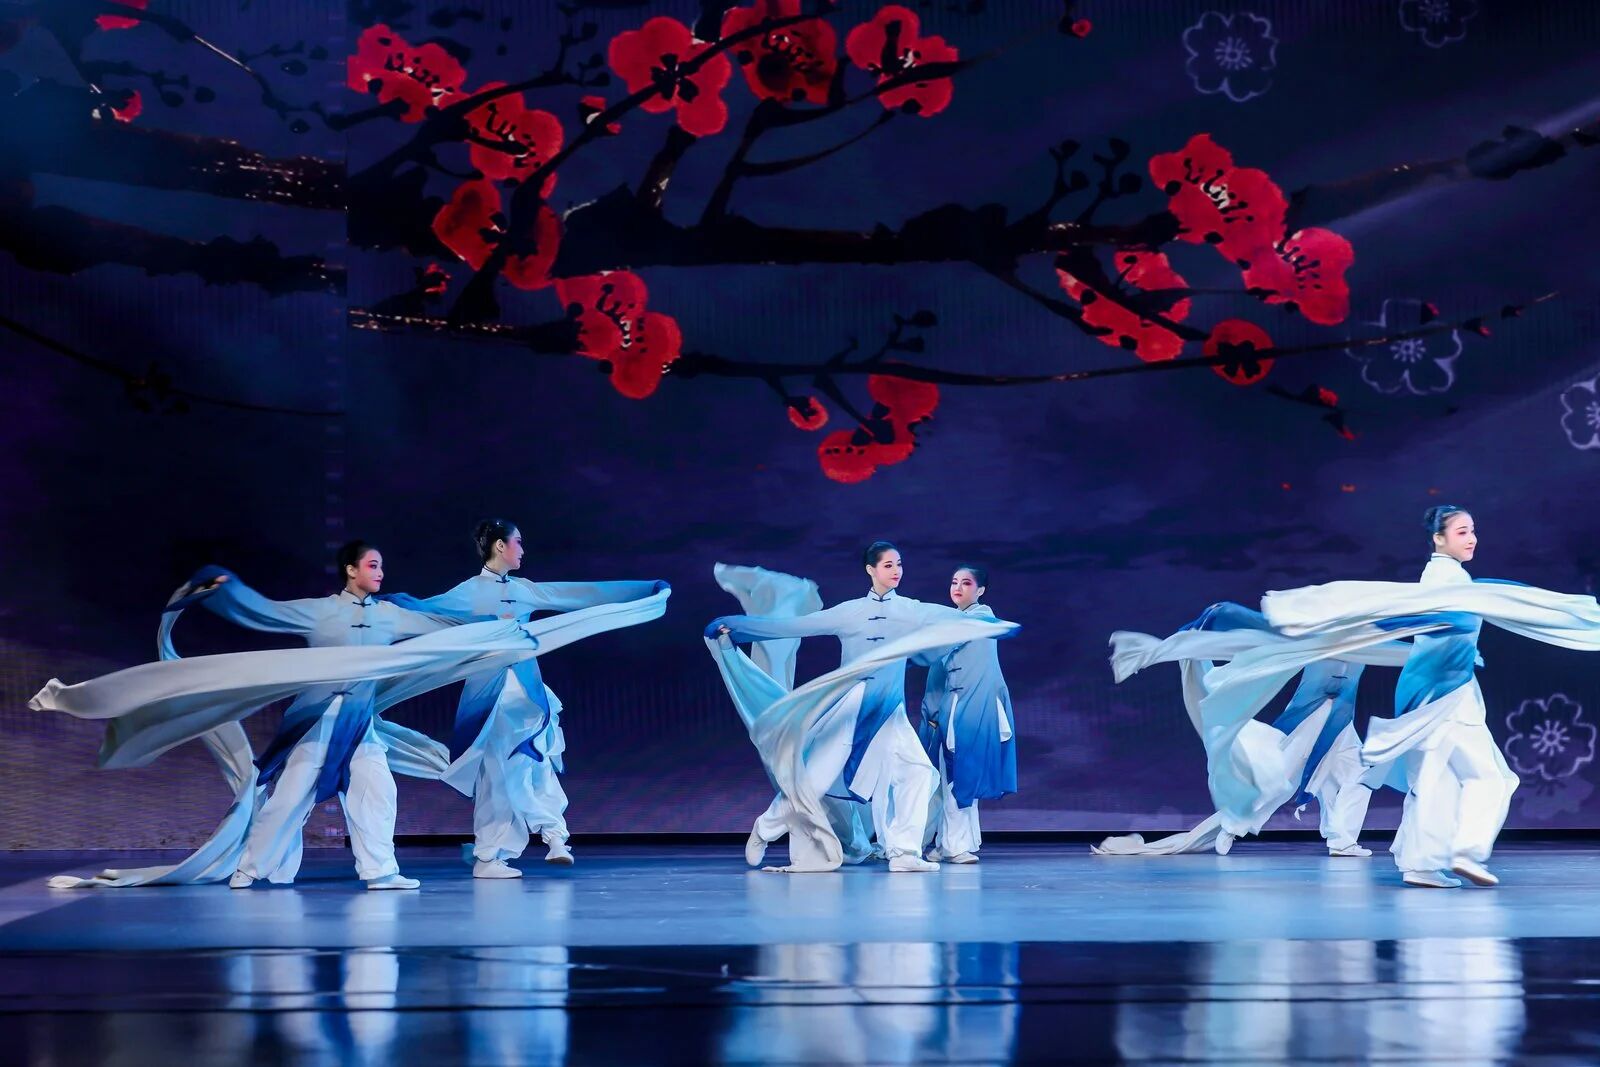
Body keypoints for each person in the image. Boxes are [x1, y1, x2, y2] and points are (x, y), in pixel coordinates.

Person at [706, 543, 1017, 873]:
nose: (896, 570)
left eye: (899, 564)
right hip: (852, 710)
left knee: (919, 773)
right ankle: (765, 829)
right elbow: (796, 626)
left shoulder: (910, 610)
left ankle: (904, 853)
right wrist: (739, 627)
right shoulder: (850, 611)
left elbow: (955, 619)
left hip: (890, 711)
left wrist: (996, 625)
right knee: (815, 780)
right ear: (871, 569)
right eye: (888, 565)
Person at [404, 519, 668, 878]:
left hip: (530, 695)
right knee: (500, 774)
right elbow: (418, 611)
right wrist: (373, 610)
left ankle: (552, 837)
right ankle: (494, 854)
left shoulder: (524, 589)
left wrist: (643, 590)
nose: (523, 550)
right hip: (491, 698)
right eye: (518, 542)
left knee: (537, 764)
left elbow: (581, 594)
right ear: (500, 546)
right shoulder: (468, 592)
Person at [918, 565, 1017, 864]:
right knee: (953, 776)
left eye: (966, 583)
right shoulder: (953, 624)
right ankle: (949, 844)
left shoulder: (981, 617)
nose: (958, 588)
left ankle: (954, 844)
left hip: (973, 708)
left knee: (962, 775)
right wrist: (931, 713)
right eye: (954, 582)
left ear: (981, 590)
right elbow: (936, 677)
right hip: (953, 710)